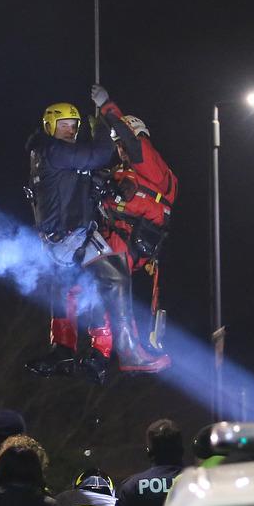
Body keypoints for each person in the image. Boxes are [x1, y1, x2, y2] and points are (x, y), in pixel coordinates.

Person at [24, 94, 169, 384]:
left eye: (74, 126)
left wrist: (109, 190)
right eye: (64, 125)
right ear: (50, 125)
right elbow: (98, 157)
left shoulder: (53, 154)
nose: (70, 130)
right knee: (112, 281)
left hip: (69, 238)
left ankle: (68, 350)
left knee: (73, 289)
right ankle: (125, 353)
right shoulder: (55, 151)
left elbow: (94, 175)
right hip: (74, 238)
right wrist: (103, 124)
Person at [94, 89, 177, 368]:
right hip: (119, 237)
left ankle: (128, 350)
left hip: (129, 239)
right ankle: (98, 351)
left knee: (114, 285)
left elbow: (132, 143)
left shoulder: (150, 162)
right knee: (97, 289)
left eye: (122, 143)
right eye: (117, 145)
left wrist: (107, 108)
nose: (120, 150)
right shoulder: (126, 171)